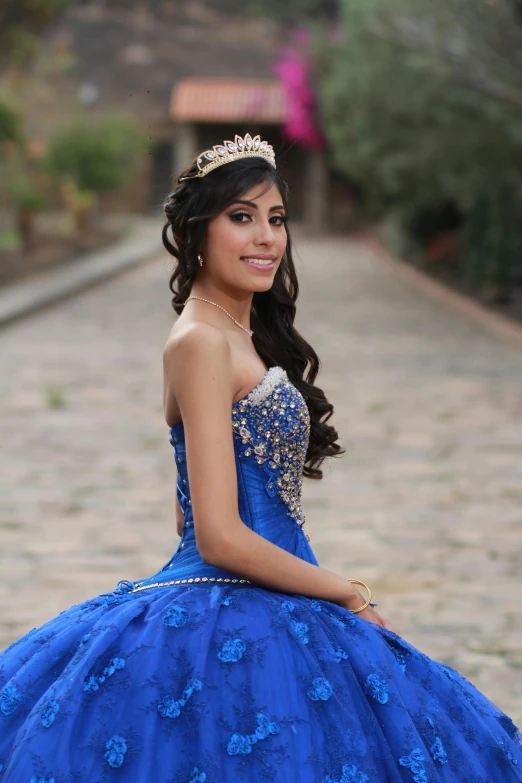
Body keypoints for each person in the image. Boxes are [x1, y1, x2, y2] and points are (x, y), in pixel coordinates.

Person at [0, 133, 521, 782]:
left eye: (276, 219)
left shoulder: (234, 330)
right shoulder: (199, 340)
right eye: (241, 217)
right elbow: (215, 534)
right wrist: (346, 591)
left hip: (280, 587)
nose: (266, 237)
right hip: (243, 589)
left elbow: (186, 496)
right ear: (196, 230)